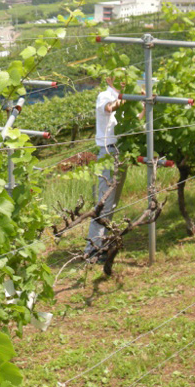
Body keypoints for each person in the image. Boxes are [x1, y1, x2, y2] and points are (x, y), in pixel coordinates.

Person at [85, 76, 128, 261]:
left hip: (123, 152)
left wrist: (143, 104)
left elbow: (133, 121)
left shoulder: (124, 99)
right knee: (104, 203)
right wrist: (126, 98)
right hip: (109, 152)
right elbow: (109, 108)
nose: (123, 81)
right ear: (109, 79)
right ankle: (91, 250)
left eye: (125, 78)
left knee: (113, 201)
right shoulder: (105, 96)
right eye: (118, 78)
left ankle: (104, 244)